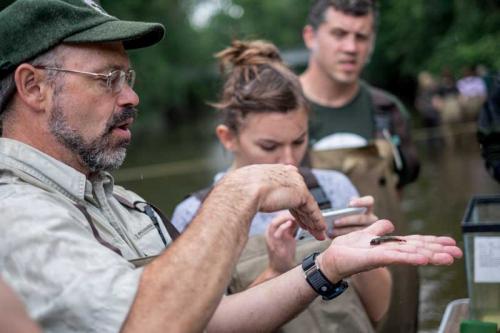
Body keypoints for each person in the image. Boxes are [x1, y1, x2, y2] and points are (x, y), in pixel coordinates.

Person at [0, 1, 463, 332]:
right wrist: (238, 193)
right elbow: (148, 323)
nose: (131, 96)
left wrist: (328, 267)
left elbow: (211, 319)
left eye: (129, 78)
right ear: (33, 87)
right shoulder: (13, 214)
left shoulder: (126, 203)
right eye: (107, 79)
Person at [172, 39, 391, 332]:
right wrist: (275, 270)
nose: (289, 162)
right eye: (269, 145)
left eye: (299, 141)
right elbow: (197, 326)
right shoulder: (194, 215)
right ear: (228, 138)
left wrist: (367, 251)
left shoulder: (335, 188)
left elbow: (378, 312)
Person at [299, 1, 421, 332]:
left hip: (392, 268)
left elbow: (396, 190)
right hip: (315, 281)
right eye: (339, 34)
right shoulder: (281, 111)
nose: (351, 48)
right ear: (311, 36)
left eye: (361, 37)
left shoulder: (388, 110)